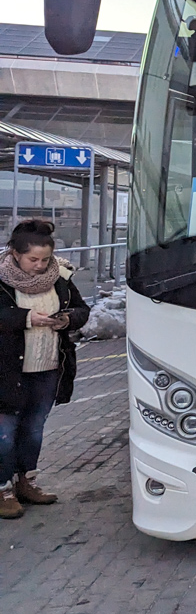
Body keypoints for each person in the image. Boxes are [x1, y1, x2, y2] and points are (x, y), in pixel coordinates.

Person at [0, 220, 90, 519]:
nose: (40, 266)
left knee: (33, 431)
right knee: (5, 433)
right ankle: (3, 490)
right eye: (32, 260)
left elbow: (81, 310)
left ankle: (26, 481)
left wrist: (66, 319)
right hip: (7, 372)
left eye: (45, 259)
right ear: (14, 254)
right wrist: (26, 318)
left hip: (49, 367)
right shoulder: (1, 278)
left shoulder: (61, 276)